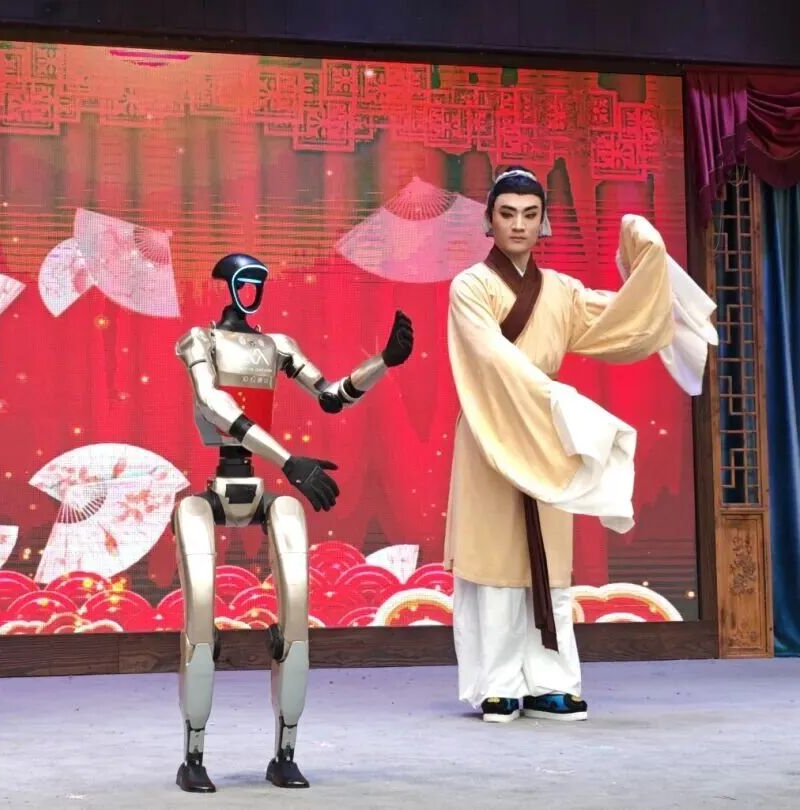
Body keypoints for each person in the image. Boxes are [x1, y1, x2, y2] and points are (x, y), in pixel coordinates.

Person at [444, 167, 716, 723]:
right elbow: (490, 358)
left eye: (530, 214)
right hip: (493, 426)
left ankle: (552, 680)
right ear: (489, 220)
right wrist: (558, 401)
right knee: (493, 559)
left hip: (548, 430)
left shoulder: (562, 292)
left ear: (543, 222)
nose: (519, 225)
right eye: (507, 213)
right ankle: (497, 682)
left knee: (549, 561)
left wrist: (647, 257)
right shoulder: (469, 286)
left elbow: (621, 321)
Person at [171, 253, 413, 791]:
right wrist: (288, 461)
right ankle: (194, 755)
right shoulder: (200, 341)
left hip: (263, 484)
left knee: (296, 616)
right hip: (219, 485)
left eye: (259, 282)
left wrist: (382, 362)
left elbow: (331, 396)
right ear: (227, 285)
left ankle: (285, 752)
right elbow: (211, 402)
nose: (252, 291)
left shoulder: (277, 346)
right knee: (201, 618)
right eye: (244, 281)